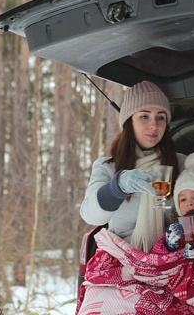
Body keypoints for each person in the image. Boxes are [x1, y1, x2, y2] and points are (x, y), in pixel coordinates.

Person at [76, 152, 194, 314]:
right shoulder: (178, 223)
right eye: (182, 198)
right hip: (184, 278)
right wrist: (168, 244)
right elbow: (163, 262)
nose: (189, 202)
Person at [79, 80, 186, 252]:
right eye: (144, 116)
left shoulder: (182, 164)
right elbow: (91, 215)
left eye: (161, 117)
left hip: (170, 257)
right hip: (123, 259)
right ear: (129, 121)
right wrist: (118, 187)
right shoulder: (107, 167)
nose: (154, 125)